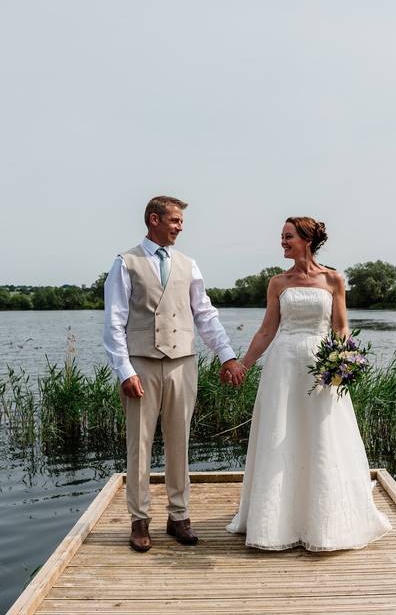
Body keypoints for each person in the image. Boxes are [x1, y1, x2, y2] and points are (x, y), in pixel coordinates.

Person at [226, 217, 392, 551]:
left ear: (307, 240)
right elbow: (266, 331)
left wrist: (342, 360)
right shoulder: (277, 283)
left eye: (288, 237)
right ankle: (275, 523)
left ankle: (324, 522)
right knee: (279, 435)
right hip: (283, 368)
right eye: (282, 237)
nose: (282, 242)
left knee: (321, 437)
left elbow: (341, 327)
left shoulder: (333, 279)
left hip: (321, 369)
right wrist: (244, 363)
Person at [102, 195, 247, 552]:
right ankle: (139, 520)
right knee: (139, 443)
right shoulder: (126, 263)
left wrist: (227, 355)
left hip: (184, 362)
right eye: (175, 220)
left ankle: (179, 516)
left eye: (181, 221)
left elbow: (205, 315)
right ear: (154, 220)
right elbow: (113, 322)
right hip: (141, 364)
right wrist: (123, 369)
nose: (180, 227)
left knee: (180, 441)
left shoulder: (188, 264)